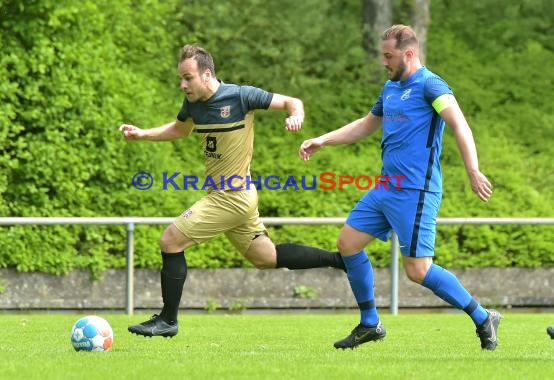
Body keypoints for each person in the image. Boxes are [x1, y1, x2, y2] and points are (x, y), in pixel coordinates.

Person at [119, 44, 345, 338]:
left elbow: (293, 101)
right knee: (267, 257)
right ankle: (340, 260)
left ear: (207, 74)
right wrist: (143, 134)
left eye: (188, 78)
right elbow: (180, 129)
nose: (182, 85)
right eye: (181, 79)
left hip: (233, 197)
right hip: (232, 198)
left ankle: (168, 319)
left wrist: (295, 116)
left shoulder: (240, 96)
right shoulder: (193, 103)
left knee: (170, 240)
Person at [299, 24, 502, 350]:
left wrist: (473, 169)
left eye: (389, 56)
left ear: (409, 53)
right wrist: (324, 139)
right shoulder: (390, 89)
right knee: (348, 243)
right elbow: (366, 125)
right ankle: (370, 323)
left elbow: (459, 124)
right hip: (386, 188)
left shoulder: (430, 85)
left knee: (418, 270)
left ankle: (482, 317)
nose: (384, 62)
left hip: (415, 191)